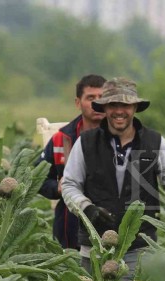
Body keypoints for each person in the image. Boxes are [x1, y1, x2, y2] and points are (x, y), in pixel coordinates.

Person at [61, 77, 165, 281]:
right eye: (113, 105)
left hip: (138, 248)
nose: (119, 111)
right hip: (94, 248)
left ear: (135, 107)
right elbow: (70, 184)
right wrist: (86, 208)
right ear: (105, 108)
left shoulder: (154, 141)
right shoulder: (86, 142)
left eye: (125, 105)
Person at [37, 74, 107, 250]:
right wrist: (57, 187)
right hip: (70, 229)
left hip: (111, 226)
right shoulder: (62, 139)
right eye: (91, 98)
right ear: (78, 103)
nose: (97, 103)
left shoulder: (125, 138)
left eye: (102, 98)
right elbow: (38, 178)